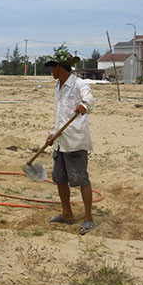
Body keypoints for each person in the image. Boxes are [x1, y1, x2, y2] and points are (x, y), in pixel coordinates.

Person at [44, 46, 96, 235]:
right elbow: (60, 116)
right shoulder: (57, 87)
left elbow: (90, 100)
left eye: (52, 66)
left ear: (60, 67)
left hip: (75, 140)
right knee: (60, 178)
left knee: (81, 179)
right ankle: (67, 214)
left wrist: (84, 106)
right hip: (60, 140)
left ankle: (89, 218)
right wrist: (52, 134)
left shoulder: (79, 84)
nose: (51, 70)